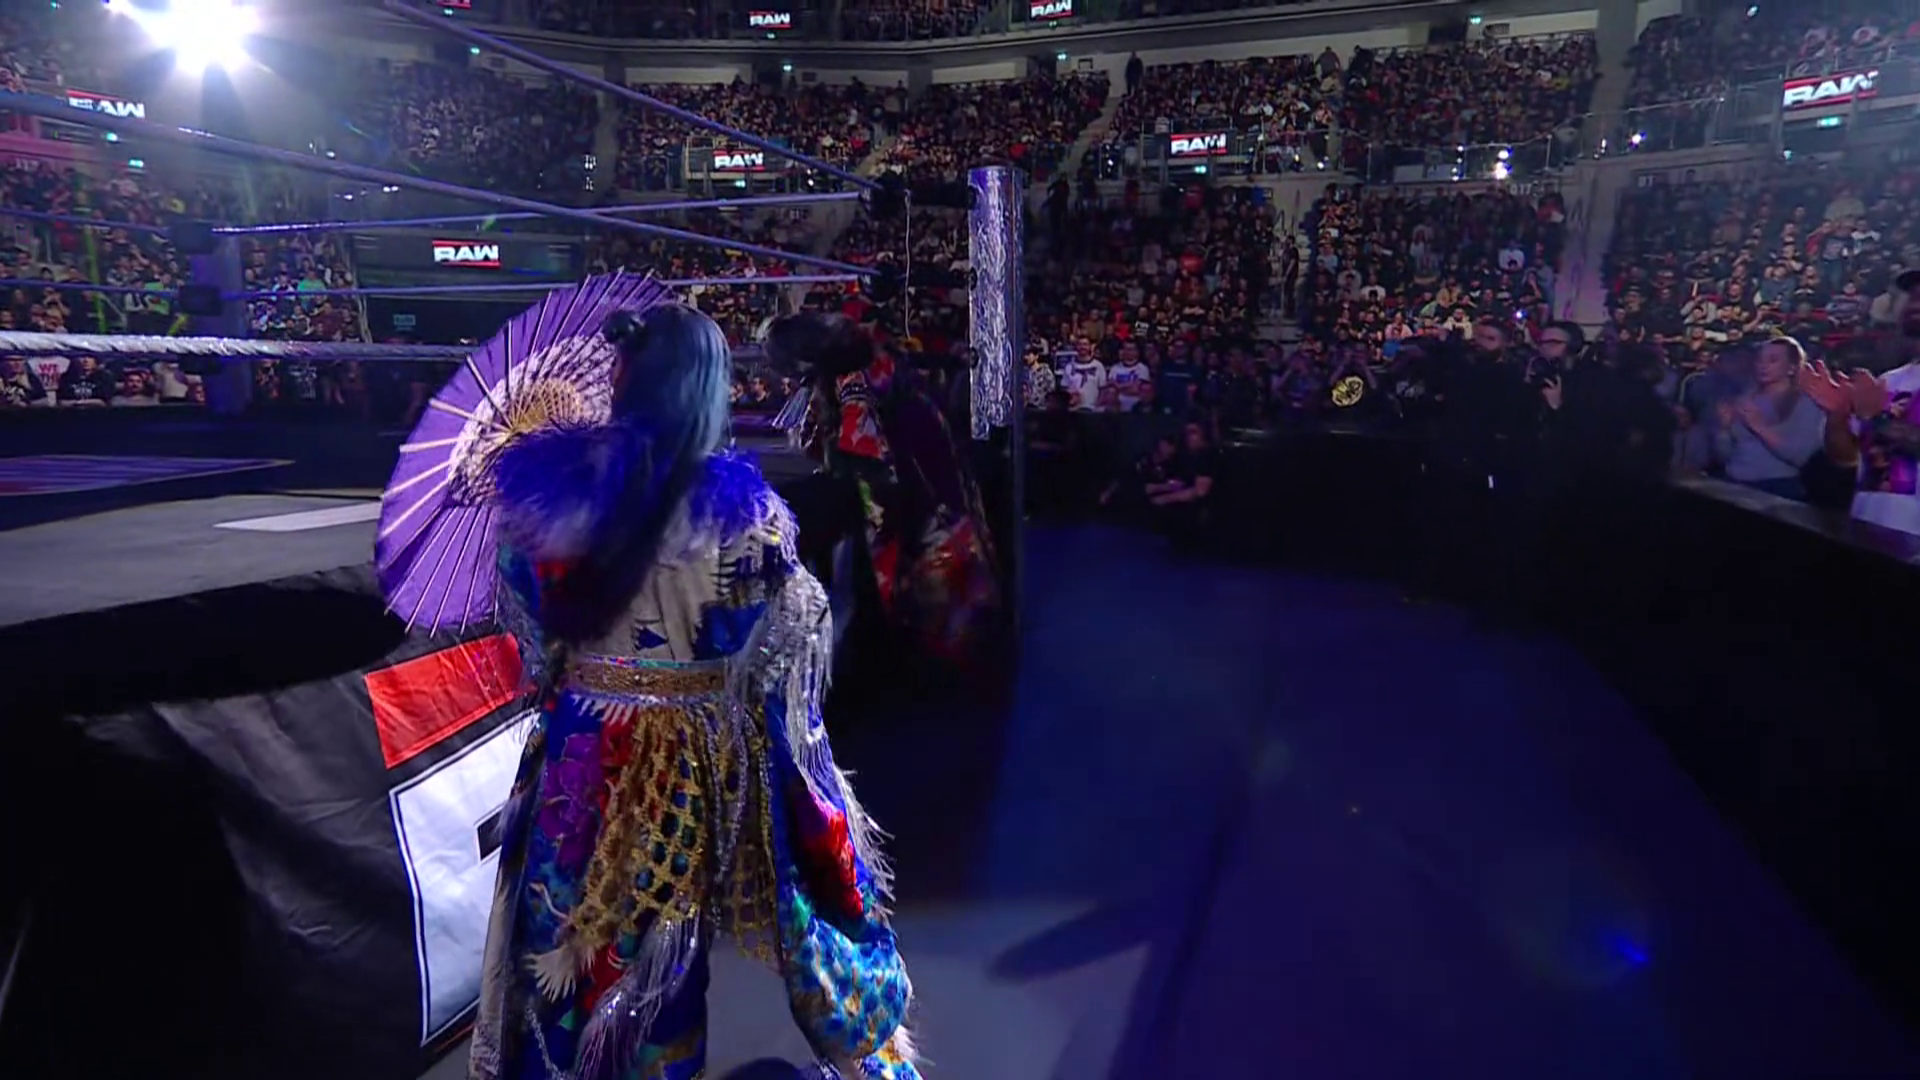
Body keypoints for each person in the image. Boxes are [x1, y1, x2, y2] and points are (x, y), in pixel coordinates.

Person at [472, 305, 919, 1080]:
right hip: (683, 762)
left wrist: (583, 673)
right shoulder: (746, 516)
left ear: (625, 377)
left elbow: (532, 625)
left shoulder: (546, 497)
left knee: (556, 928)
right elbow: (781, 641)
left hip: (579, 743)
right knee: (663, 958)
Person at [763, 311, 1001, 672]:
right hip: (936, 495)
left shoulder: (854, 388)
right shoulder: (870, 366)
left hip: (919, 513)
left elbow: (864, 474)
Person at [1803, 269, 1920, 536]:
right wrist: (1838, 414)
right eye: (1913, 297)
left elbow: (1877, 421)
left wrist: (1878, 420)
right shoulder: (1889, 380)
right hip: (1866, 526)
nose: (1915, 304)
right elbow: (1844, 456)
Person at [1709, 336, 1824, 500]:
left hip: (1776, 488)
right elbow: (1725, 456)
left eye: (1773, 360)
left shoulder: (1805, 403)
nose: (1763, 365)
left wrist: (1759, 426)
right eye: (1760, 360)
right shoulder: (1745, 398)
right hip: (1733, 482)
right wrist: (1724, 429)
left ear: (1791, 368)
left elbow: (1801, 457)